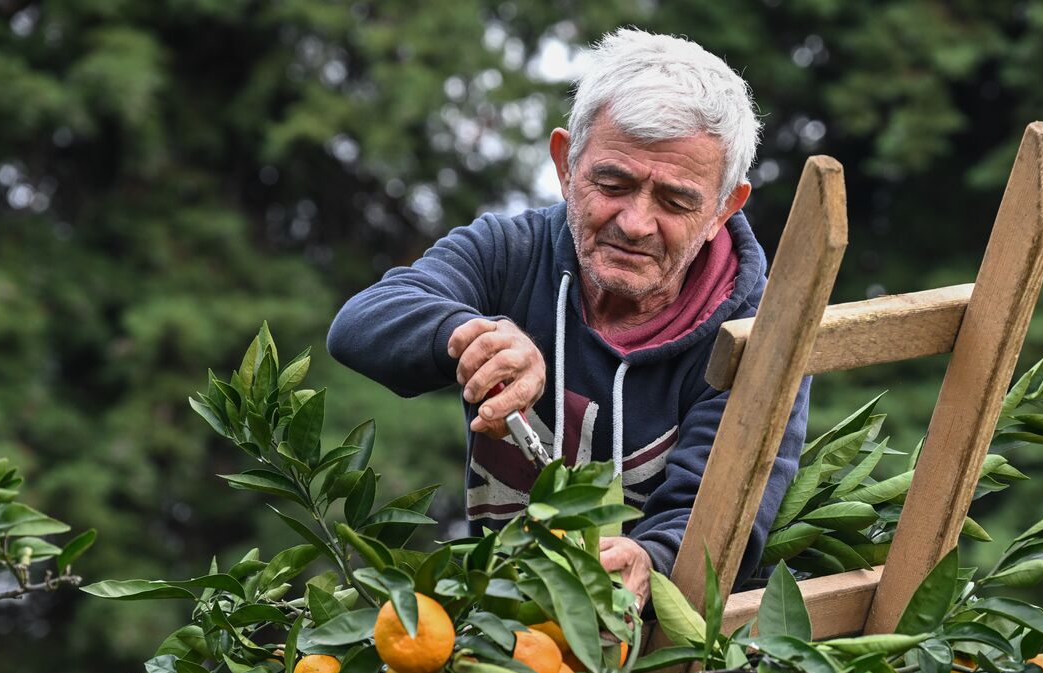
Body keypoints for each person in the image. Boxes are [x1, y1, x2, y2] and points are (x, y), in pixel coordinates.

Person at [327, 28, 811, 610]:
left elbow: (716, 521)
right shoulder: (510, 253)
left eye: (676, 202)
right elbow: (362, 323)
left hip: (662, 661)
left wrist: (649, 560)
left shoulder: (756, 335)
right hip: (504, 632)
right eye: (612, 183)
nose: (635, 223)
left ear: (723, 208)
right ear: (565, 164)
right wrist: (473, 335)